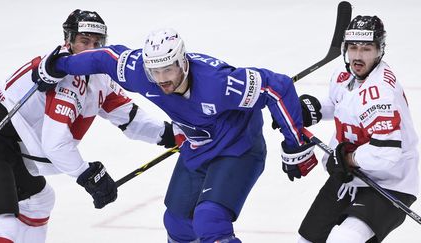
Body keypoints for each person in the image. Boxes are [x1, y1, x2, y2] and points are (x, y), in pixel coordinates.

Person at [35, 28, 319, 243]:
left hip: (238, 149)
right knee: (177, 222)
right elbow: (104, 58)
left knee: (210, 220)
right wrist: (58, 66)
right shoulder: (139, 71)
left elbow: (277, 87)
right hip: (197, 148)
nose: (161, 79)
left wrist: (295, 143)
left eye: (167, 69)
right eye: (154, 70)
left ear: (183, 63)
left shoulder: (218, 82)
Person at [0, 10, 174, 243]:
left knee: (39, 201)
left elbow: (130, 117)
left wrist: (171, 134)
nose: (91, 49)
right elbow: (55, 143)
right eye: (84, 41)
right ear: (68, 40)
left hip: (10, 145)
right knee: (1, 222)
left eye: (97, 43)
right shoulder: (63, 73)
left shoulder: (100, 78)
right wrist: (87, 175)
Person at [295, 15, 419, 243]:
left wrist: (349, 158)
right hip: (350, 176)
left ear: (380, 51)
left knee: (343, 240)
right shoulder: (344, 77)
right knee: (307, 240)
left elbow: (386, 153)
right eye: (353, 48)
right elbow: (341, 105)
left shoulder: (379, 92)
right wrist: (313, 109)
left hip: (389, 183)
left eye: (366, 49)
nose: (358, 56)